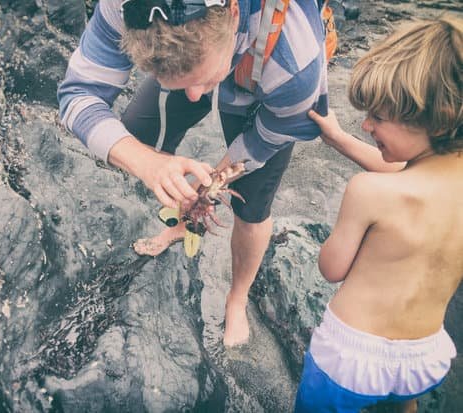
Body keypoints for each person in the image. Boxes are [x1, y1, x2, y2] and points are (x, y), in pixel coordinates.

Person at [57, 0, 330, 346]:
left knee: (252, 205)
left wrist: (213, 184)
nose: (196, 95)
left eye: (203, 80)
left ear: (232, 16)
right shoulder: (121, 5)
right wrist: (148, 162)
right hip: (209, 54)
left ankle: (237, 298)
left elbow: (269, 136)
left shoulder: (295, 65)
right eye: (173, 80)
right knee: (135, 132)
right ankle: (183, 222)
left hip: (263, 70)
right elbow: (77, 94)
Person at [295, 15, 462, 413]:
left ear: (433, 117)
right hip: (423, 356)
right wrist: (338, 138)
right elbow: (406, 170)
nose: (366, 125)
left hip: (351, 360)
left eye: (379, 118)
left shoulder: (369, 192)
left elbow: (332, 268)